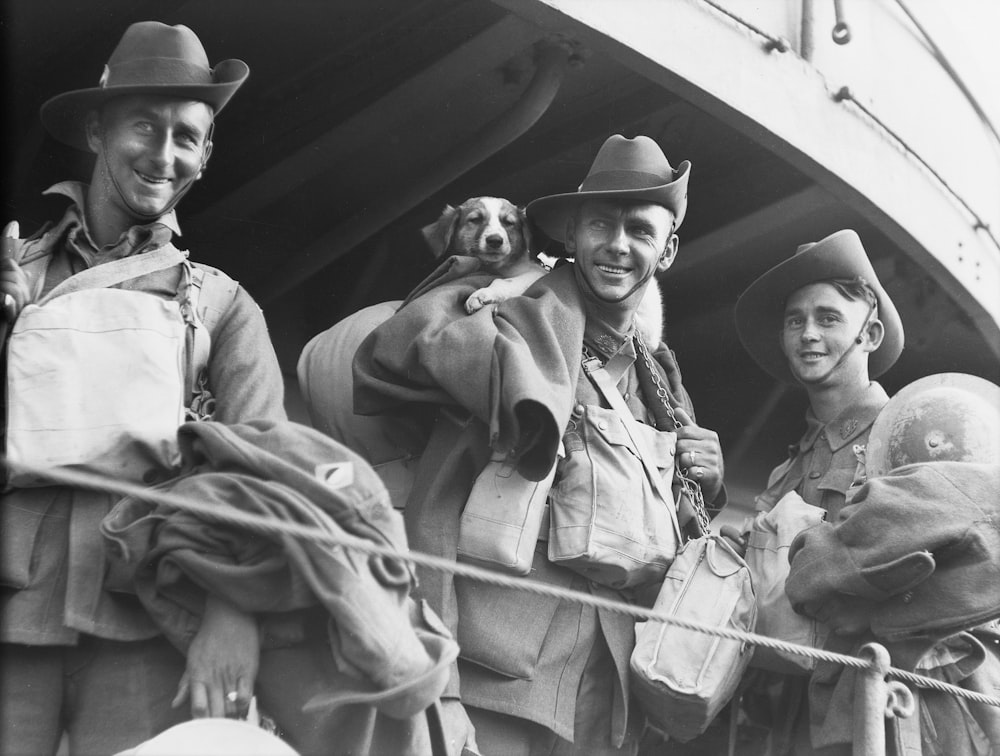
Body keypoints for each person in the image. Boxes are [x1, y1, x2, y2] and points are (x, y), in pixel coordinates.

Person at [353, 134, 726, 755]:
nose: (617, 244)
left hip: (605, 699)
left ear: (668, 250)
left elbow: (668, 538)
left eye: (640, 229)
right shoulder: (517, 327)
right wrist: (437, 685)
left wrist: (707, 483)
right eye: (600, 224)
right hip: (495, 686)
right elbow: (437, 504)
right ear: (570, 239)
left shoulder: (660, 376)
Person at [0, 22, 285, 754]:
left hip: (147, 616)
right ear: (97, 130)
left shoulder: (222, 304)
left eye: (186, 136)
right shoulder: (14, 276)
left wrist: (234, 616)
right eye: (145, 127)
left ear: (206, 153)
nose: (165, 155)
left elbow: (264, 474)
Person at [731, 229, 904, 754]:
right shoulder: (790, 468)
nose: (808, 333)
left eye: (828, 318)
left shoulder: (904, 436)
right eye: (794, 320)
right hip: (789, 713)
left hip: (876, 708)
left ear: (869, 333)